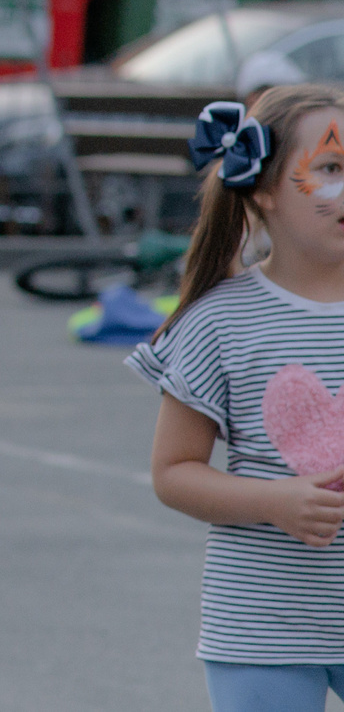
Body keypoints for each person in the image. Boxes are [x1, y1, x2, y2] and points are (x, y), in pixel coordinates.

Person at [135, 87, 344, 712]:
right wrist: (274, 501)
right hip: (261, 626)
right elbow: (174, 472)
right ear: (262, 188)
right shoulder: (219, 321)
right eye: (331, 168)